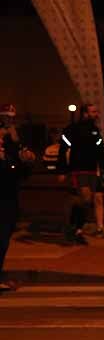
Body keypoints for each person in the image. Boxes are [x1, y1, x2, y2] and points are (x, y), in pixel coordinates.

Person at [58, 103, 104, 243]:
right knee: (86, 199)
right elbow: (62, 150)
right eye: (93, 112)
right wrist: (62, 170)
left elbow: (101, 150)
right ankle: (74, 228)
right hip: (78, 170)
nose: (96, 114)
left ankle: (76, 229)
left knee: (86, 201)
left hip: (92, 170)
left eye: (96, 111)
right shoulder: (72, 129)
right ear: (85, 114)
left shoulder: (94, 130)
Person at [0, 104, 35, 291]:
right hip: (3, 196)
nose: (9, 122)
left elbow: (17, 171)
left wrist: (25, 161)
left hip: (9, 195)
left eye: (12, 117)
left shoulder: (14, 140)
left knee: (4, 237)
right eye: (6, 117)